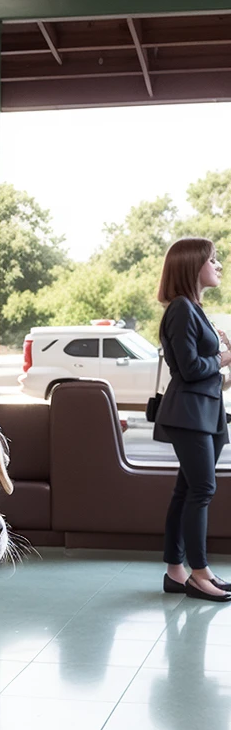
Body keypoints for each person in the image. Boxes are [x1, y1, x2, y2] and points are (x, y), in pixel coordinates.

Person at [156, 237, 231, 602]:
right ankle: (200, 575)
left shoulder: (195, 309)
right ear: (192, 266)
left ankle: (177, 571)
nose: (218, 266)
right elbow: (188, 369)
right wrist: (222, 359)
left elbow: (205, 371)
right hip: (191, 414)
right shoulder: (182, 309)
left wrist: (221, 362)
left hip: (207, 412)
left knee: (187, 491)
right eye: (212, 260)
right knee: (202, 491)